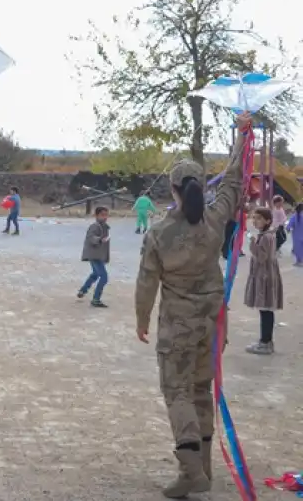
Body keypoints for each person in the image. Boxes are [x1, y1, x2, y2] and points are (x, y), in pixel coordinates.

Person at [134, 113, 250, 498]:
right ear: (201, 186)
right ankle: (204, 468)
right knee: (201, 390)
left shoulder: (160, 232)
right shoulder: (215, 219)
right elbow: (234, 182)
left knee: (178, 392)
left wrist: (141, 319)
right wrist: (241, 136)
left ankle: (190, 471)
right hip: (213, 325)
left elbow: (146, 282)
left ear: (172, 188)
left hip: (178, 327)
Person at [244, 207, 284, 355]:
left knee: (266, 310)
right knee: (265, 310)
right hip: (265, 275)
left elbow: (261, 257)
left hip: (265, 277)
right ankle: (265, 341)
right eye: (254, 218)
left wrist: (252, 243)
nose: (255, 221)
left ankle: (265, 342)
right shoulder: (267, 235)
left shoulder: (266, 237)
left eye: (259, 218)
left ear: (268, 220)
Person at [77, 206, 110, 308]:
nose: (104, 217)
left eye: (106, 215)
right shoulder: (94, 226)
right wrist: (99, 239)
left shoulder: (104, 227)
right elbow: (91, 238)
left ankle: (83, 290)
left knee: (95, 274)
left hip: (98, 256)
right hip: (94, 256)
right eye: (102, 215)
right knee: (104, 277)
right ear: (96, 216)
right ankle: (96, 299)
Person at [288, 203, 303, 267]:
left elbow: (289, 225)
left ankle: (299, 261)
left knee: (297, 248)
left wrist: (288, 229)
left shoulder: (294, 216)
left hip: (296, 235)